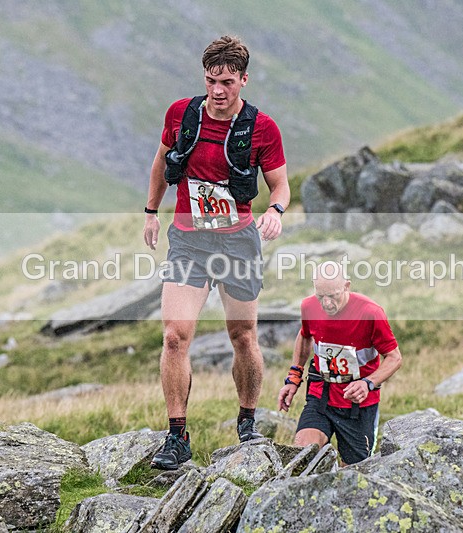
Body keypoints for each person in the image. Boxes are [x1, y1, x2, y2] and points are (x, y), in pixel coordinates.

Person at [143, 35, 290, 470]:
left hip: (237, 239)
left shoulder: (262, 128)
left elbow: (280, 183)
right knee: (174, 336)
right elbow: (160, 164)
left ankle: (247, 421)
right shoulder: (181, 114)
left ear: (244, 80)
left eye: (227, 81)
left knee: (243, 336)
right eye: (210, 80)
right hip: (189, 238)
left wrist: (277, 210)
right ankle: (177, 436)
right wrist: (151, 212)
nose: (218, 90)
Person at [277, 261, 402, 465]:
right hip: (321, 395)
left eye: (333, 296)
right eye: (321, 296)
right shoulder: (308, 306)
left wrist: (368, 383)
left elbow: (395, 358)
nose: (326, 303)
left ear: (347, 286)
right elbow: (305, 335)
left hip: (358, 404)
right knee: (302, 457)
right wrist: (294, 377)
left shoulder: (370, 313)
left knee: (354, 473)